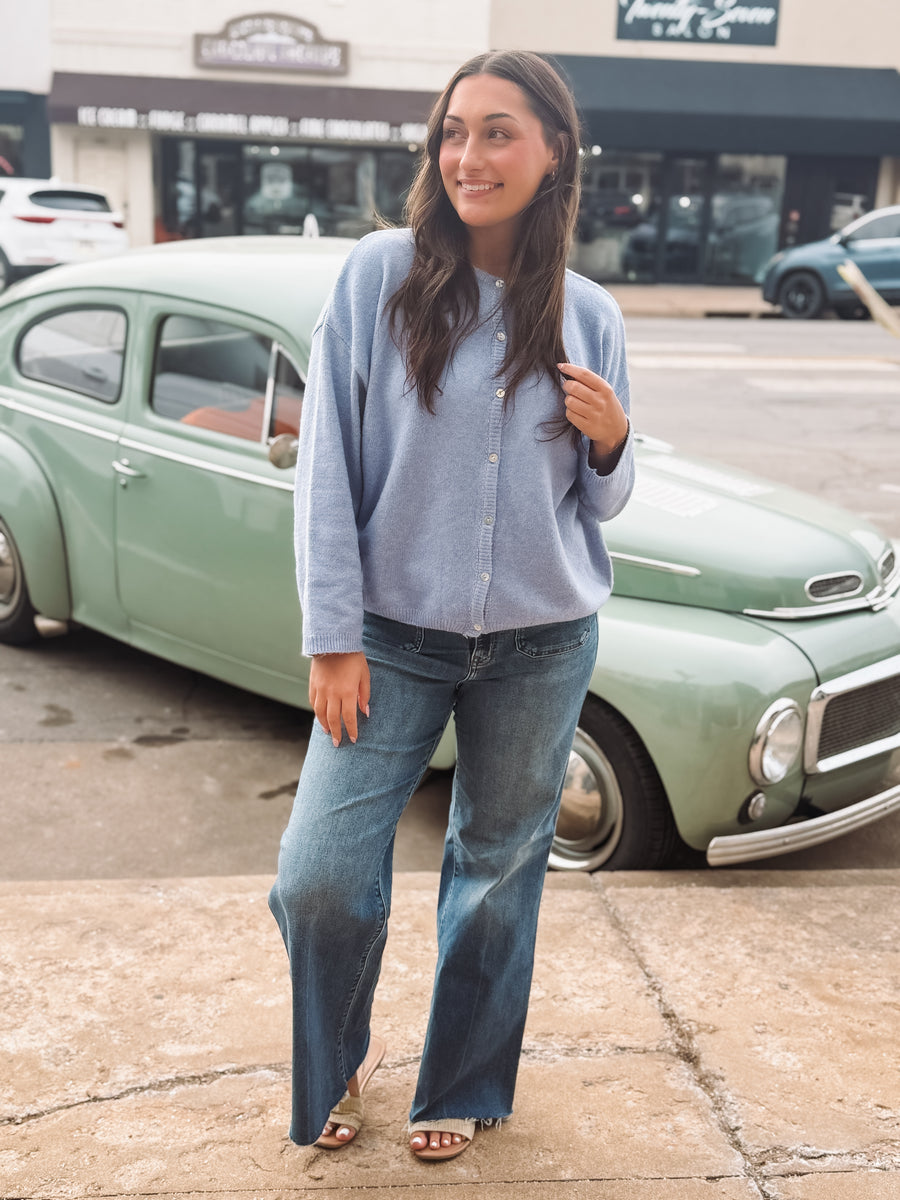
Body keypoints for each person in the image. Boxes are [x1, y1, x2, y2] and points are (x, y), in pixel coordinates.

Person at [268, 49, 635, 1162]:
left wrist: (614, 441)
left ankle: (462, 1080)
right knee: (321, 876)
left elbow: (600, 504)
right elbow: (327, 461)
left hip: (541, 641)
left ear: (555, 152)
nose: (468, 156)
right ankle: (337, 1056)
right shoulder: (380, 275)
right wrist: (332, 634)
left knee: (498, 869)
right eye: (454, 132)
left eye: (498, 132)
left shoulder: (588, 311)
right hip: (389, 636)